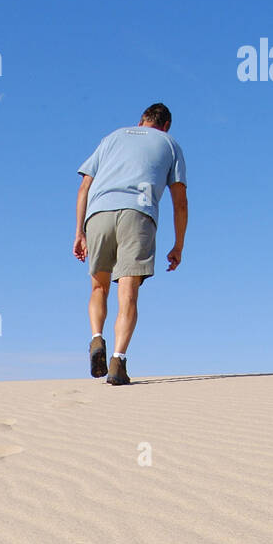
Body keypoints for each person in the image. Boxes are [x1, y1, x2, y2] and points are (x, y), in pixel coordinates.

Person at [74, 104, 187, 385]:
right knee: (128, 293)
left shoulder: (111, 138)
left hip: (98, 213)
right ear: (166, 125)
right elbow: (180, 202)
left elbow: (83, 187)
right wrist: (178, 245)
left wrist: (79, 232)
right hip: (139, 214)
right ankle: (118, 361)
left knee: (98, 287)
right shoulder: (170, 144)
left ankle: (96, 338)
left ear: (141, 120)